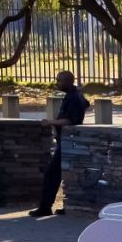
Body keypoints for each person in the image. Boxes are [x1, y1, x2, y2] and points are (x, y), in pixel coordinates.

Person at [30, 70, 89, 217]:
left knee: (52, 174)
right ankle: (63, 206)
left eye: (59, 81)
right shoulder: (75, 95)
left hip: (68, 141)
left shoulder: (74, 97)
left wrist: (49, 122)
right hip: (67, 141)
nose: (57, 83)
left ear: (69, 81)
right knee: (66, 174)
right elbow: (86, 104)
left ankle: (45, 207)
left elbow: (70, 120)